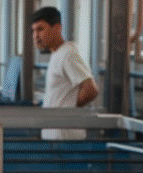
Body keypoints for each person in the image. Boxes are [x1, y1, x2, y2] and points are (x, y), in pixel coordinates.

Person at [31, 6, 99, 140]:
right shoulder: (57, 54)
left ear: (57, 28)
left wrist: (69, 108)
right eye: (33, 30)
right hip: (56, 138)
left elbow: (91, 90)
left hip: (65, 140)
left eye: (40, 29)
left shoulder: (68, 54)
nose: (35, 36)